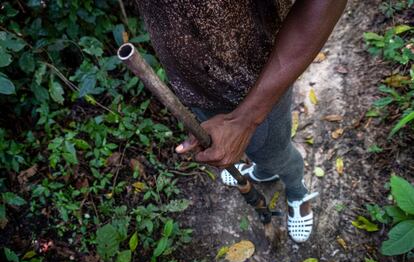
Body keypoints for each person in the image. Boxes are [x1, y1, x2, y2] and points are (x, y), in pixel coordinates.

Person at [136, 0, 347, 243]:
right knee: (260, 153)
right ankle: (265, 171)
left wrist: (245, 119)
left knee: (276, 153)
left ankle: (297, 191)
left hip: (256, 88)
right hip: (195, 91)